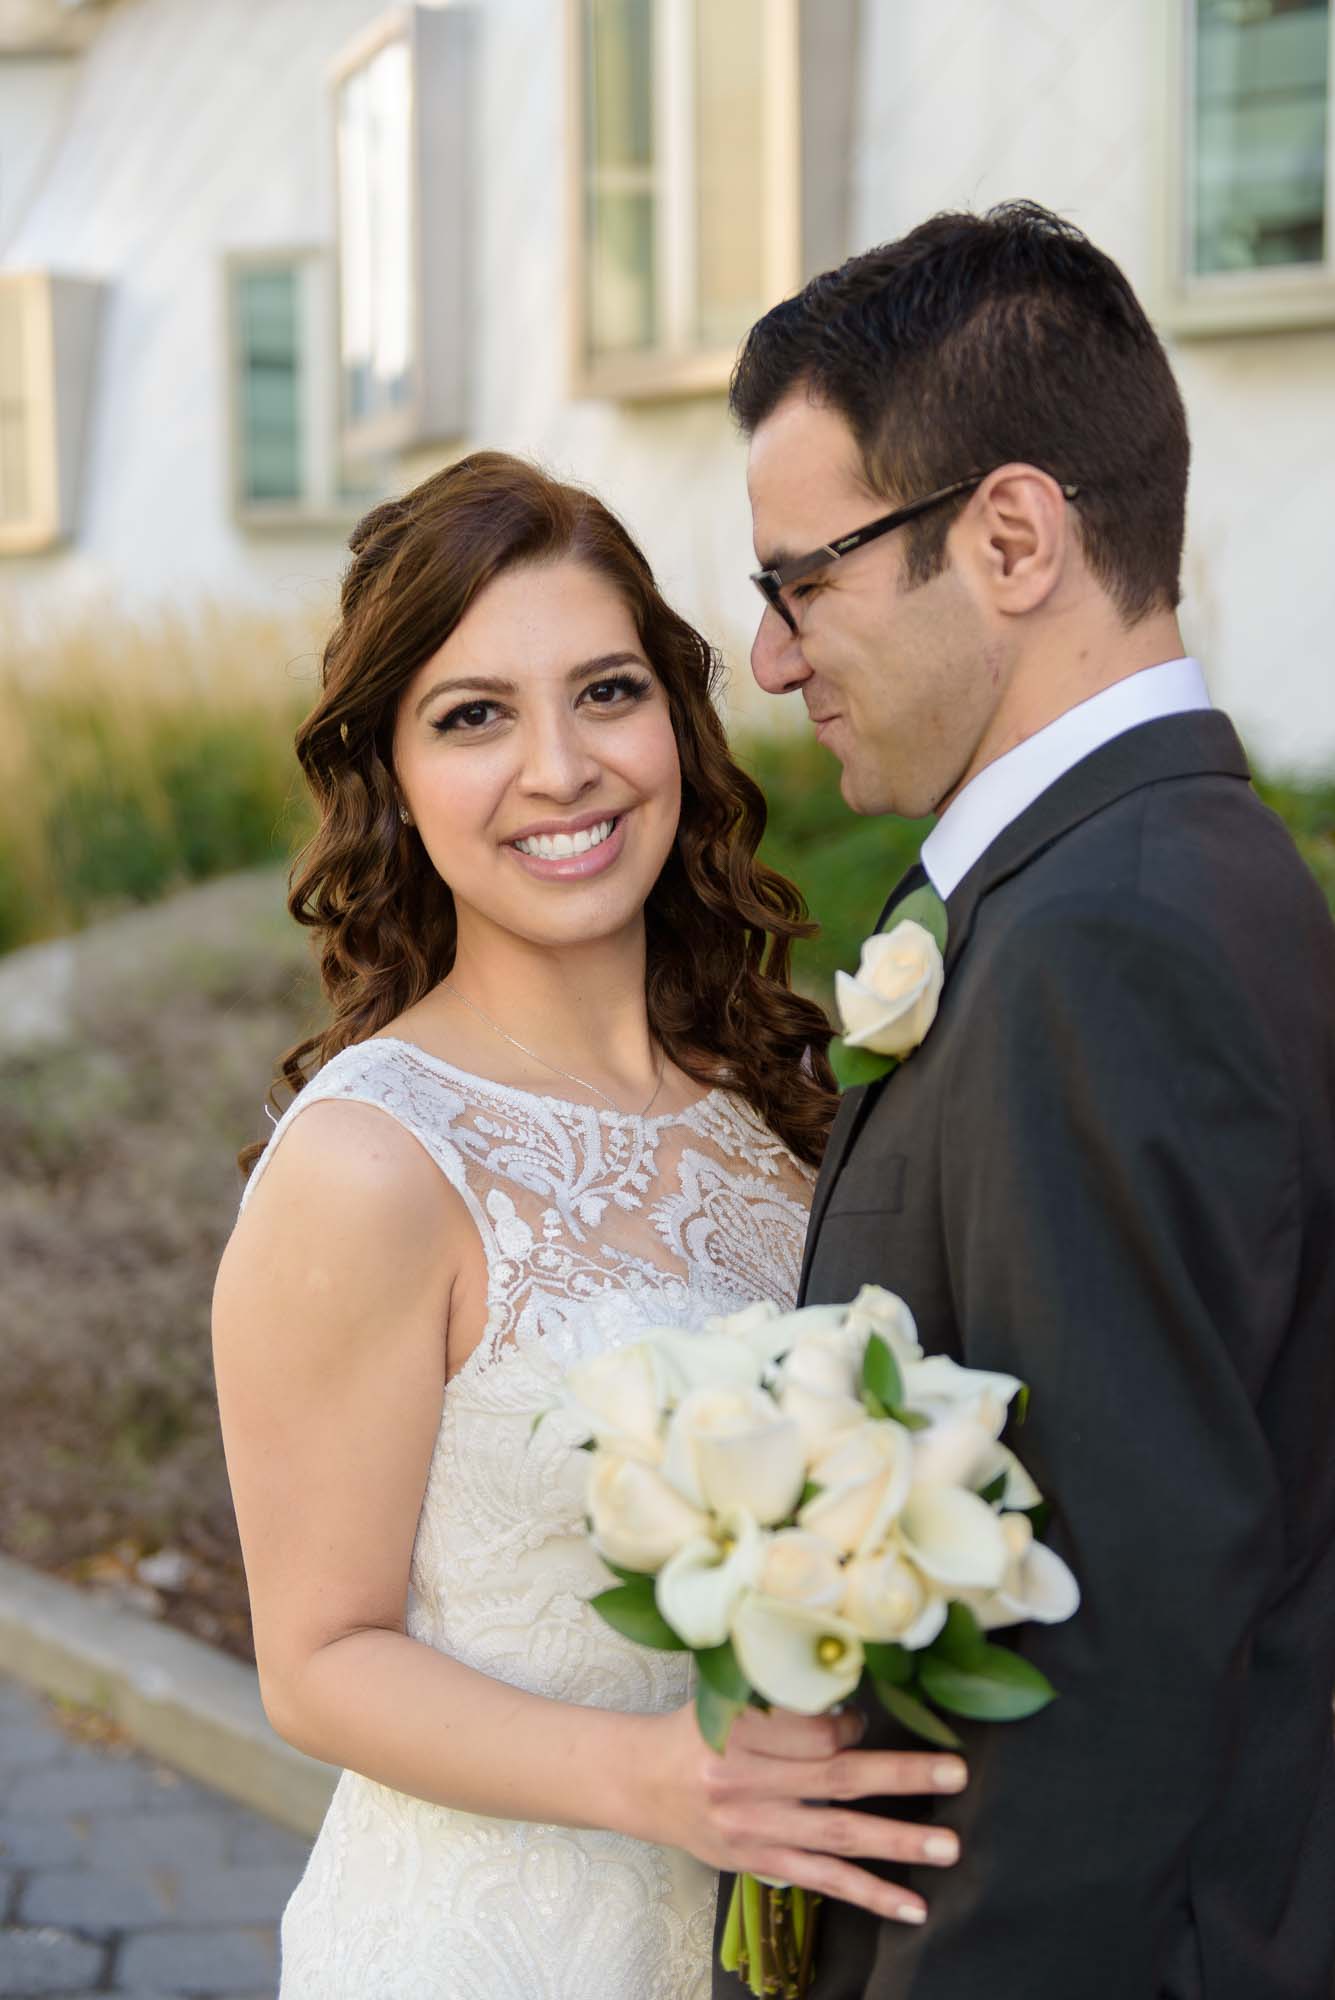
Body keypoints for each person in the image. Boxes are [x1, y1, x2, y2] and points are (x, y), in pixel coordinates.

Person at [212, 452, 973, 2000]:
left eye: (607, 692)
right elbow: (317, 1663)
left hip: (774, 1945)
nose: (560, 768)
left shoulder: (782, 1100)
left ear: (676, 728)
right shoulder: (370, 1158)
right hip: (486, 1951)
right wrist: (669, 1782)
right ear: (392, 775)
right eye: (474, 715)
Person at [716, 201, 1335, 2000]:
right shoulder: (1157, 876)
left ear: (1007, 537)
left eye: (799, 580)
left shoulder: (1101, 945)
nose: (769, 656)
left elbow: (1112, 1665)